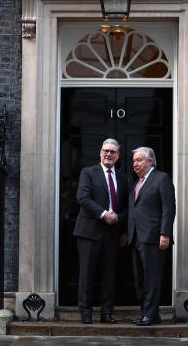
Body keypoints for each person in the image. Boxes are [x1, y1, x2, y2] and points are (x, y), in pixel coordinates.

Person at [74, 138, 129, 324]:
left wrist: (122, 226)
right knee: (86, 274)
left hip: (113, 233)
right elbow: (82, 197)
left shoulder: (122, 177)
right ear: (100, 153)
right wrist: (104, 214)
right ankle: (86, 313)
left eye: (113, 152)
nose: (109, 154)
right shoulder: (88, 172)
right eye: (106, 150)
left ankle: (107, 313)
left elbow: (127, 206)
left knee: (109, 276)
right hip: (89, 231)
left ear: (118, 155)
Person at [128, 146, 175, 326]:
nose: (135, 164)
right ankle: (149, 313)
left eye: (139, 160)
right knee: (140, 279)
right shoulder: (136, 182)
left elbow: (168, 208)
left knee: (152, 278)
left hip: (154, 237)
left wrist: (165, 233)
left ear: (150, 161)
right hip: (136, 237)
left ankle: (150, 314)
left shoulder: (162, 179)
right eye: (134, 161)